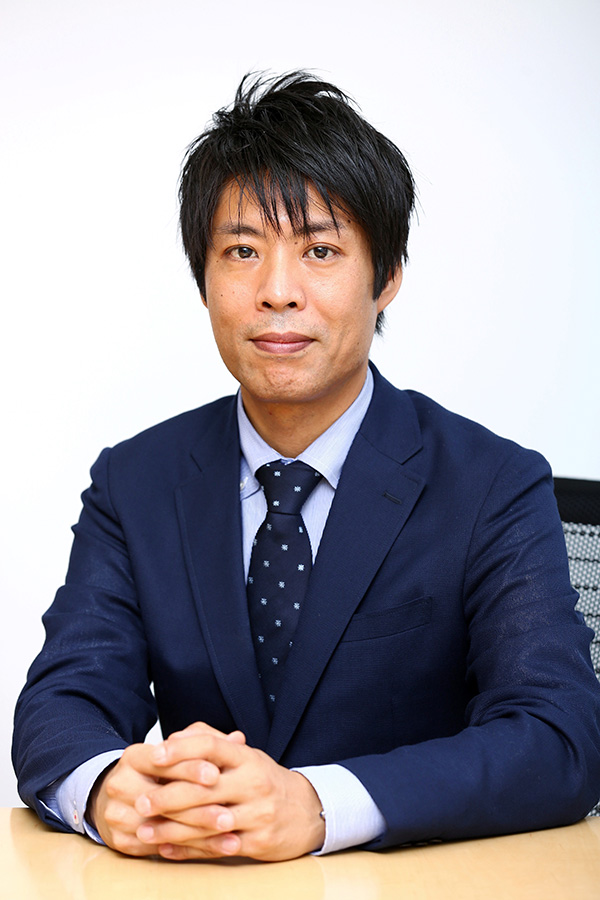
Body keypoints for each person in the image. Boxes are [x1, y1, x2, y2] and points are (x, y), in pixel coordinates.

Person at [12, 71, 600, 862]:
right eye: (242, 251)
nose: (277, 292)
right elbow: (63, 701)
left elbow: (559, 737)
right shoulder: (136, 482)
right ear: (204, 280)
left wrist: (320, 805)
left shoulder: (491, 484)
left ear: (386, 277)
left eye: (320, 251)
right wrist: (112, 789)